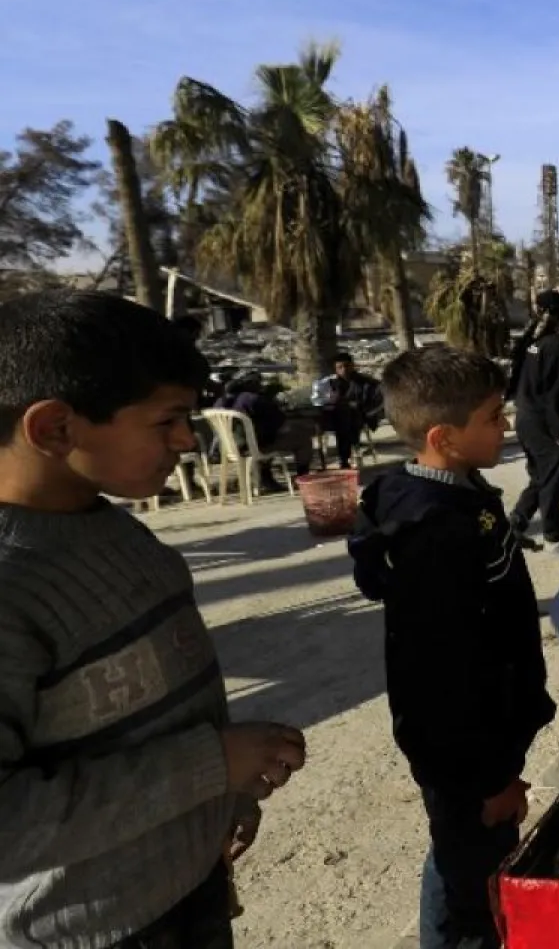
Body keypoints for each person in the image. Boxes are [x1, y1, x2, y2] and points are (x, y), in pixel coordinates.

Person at [0, 290, 306, 948]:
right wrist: (209, 766)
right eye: (167, 420)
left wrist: (223, 796)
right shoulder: (12, 586)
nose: (187, 441)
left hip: (188, 886)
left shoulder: (120, 531)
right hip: (90, 929)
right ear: (54, 428)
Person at [348, 346, 556, 949]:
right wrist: (492, 780)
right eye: (493, 417)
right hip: (466, 758)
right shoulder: (435, 536)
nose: (507, 425)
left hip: (480, 746)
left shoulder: (457, 490)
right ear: (444, 436)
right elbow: (443, 678)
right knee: (474, 876)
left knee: (459, 852)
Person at [508, 291, 559, 558]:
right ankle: (554, 539)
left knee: (540, 476)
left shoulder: (530, 344)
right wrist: (557, 429)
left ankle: (517, 522)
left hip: (525, 419)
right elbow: (555, 394)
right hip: (543, 421)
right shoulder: (554, 346)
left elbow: (514, 386)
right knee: (554, 480)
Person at [214, 371, 315, 487]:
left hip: (228, 448)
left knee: (266, 437)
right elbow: (280, 424)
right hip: (252, 448)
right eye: (258, 382)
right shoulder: (253, 399)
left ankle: (265, 478)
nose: (261, 386)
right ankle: (302, 478)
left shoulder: (219, 402)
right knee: (302, 438)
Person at [312, 353, 383, 470]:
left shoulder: (365, 382)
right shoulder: (327, 383)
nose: (344, 369)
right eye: (340, 367)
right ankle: (346, 455)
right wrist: (329, 400)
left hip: (358, 417)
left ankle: (344, 459)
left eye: (347, 366)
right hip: (332, 417)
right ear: (335, 369)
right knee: (342, 414)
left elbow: (376, 398)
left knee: (346, 414)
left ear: (352, 366)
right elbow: (316, 401)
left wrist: (360, 406)